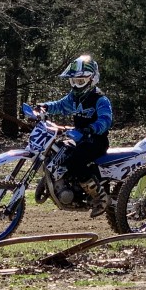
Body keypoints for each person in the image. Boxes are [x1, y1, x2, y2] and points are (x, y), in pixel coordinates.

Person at [33, 55, 112, 217]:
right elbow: (60, 105)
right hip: (79, 138)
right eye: (74, 81)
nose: (76, 85)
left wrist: (91, 128)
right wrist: (45, 107)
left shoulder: (100, 99)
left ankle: (100, 197)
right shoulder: (74, 97)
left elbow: (106, 120)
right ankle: (55, 181)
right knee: (57, 150)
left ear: (92, 79)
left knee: (76, 161)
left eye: (80, 81)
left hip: (96, 140)